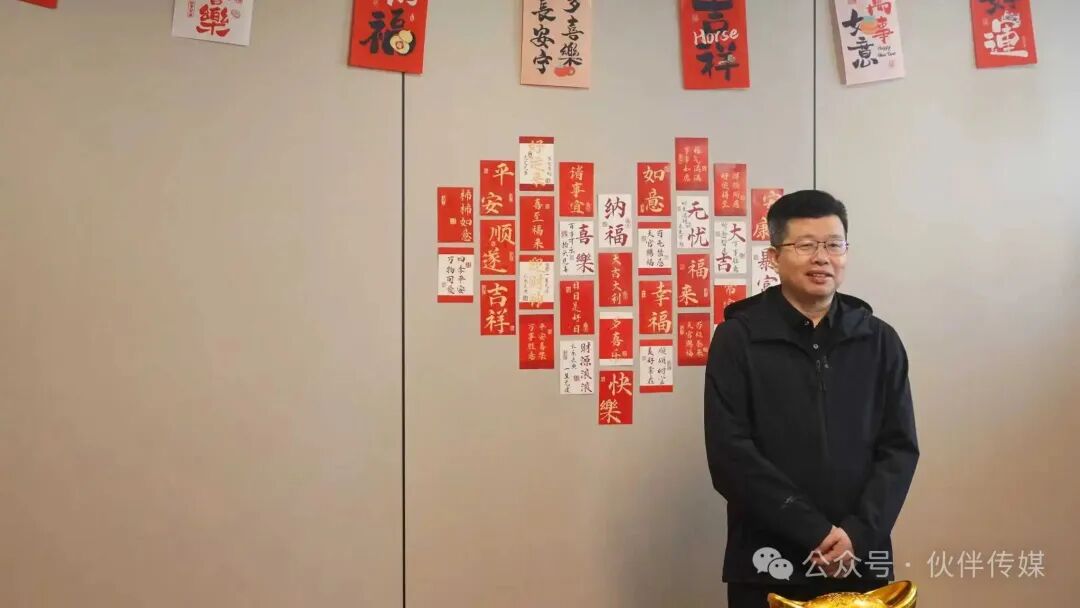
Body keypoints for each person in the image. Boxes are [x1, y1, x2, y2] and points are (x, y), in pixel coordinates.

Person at [704, 190, 919, 607]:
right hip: (768, 560)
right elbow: (730, 455)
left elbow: (899, 449)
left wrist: (857, 534)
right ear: (774, 257)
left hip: (859, 557)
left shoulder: (878, 340)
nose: (822, 258)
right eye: (805, 245)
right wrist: (814, 532)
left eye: (834, 245)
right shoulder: (739, 339)